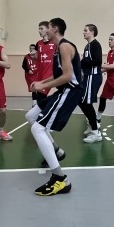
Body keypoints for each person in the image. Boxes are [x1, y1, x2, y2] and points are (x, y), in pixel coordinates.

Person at [26, 17, 84, 196]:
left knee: (37, 129)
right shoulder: (58, 49)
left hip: (70, 91)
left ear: (55, 29)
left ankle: (60, 179)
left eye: (48, 27)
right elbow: (58, 75)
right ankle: (57, 151)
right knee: (30, 116)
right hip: (63, 90)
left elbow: (67, 76)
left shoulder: (65, 46)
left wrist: (42, 87)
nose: (45, 30)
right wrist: (41, 82)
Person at [80, 24, 104, 143]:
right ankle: (92, 123)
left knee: (86, 102)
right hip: (87, 77)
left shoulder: (95, 45)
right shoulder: (87, 46)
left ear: (92, 33)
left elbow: (98, 61)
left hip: (93, 77)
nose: (83, 32)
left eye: (86, 30)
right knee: (81, 100)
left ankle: (95, 132)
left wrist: (83, 61)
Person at [35, 21, 56, 102]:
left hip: (50, 72)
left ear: (48, 30)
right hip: (40, 72)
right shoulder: (38, 43)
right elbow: (38, 58)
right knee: (39, 95)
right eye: (39, 29)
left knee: (41, 95)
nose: (39, 31)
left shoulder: (55, 42)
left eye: (41, 29)